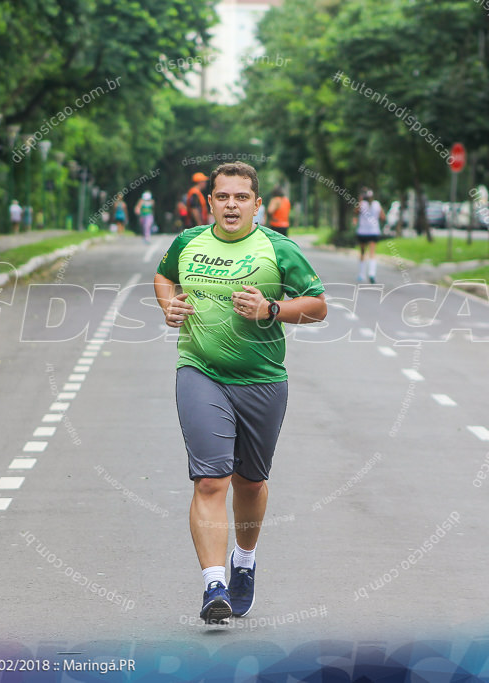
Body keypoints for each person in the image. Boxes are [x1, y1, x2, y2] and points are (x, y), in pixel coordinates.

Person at [153, 161, 327, 624]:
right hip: (199, 369)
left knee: (251, 481)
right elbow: (164, 275)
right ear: (210, 201)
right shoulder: (188, 243)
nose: (231, 205)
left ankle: (243, 561)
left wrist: (271, 308)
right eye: (223, 196)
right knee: (211, 479)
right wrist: (168, 302)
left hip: (263, 379)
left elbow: (318, 307)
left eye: (241, 197)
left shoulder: (279, 248)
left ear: (257, 204)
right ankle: (214, 585)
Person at [355, 188, 385, 283]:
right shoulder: (377, 204)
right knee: (372, 253)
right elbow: (383, 217)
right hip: (373, 231)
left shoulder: (361, 204)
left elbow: (355, 212)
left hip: (363, 232)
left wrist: (359, 200)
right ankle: (372, 274)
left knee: (363, 252)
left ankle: (361, 274)